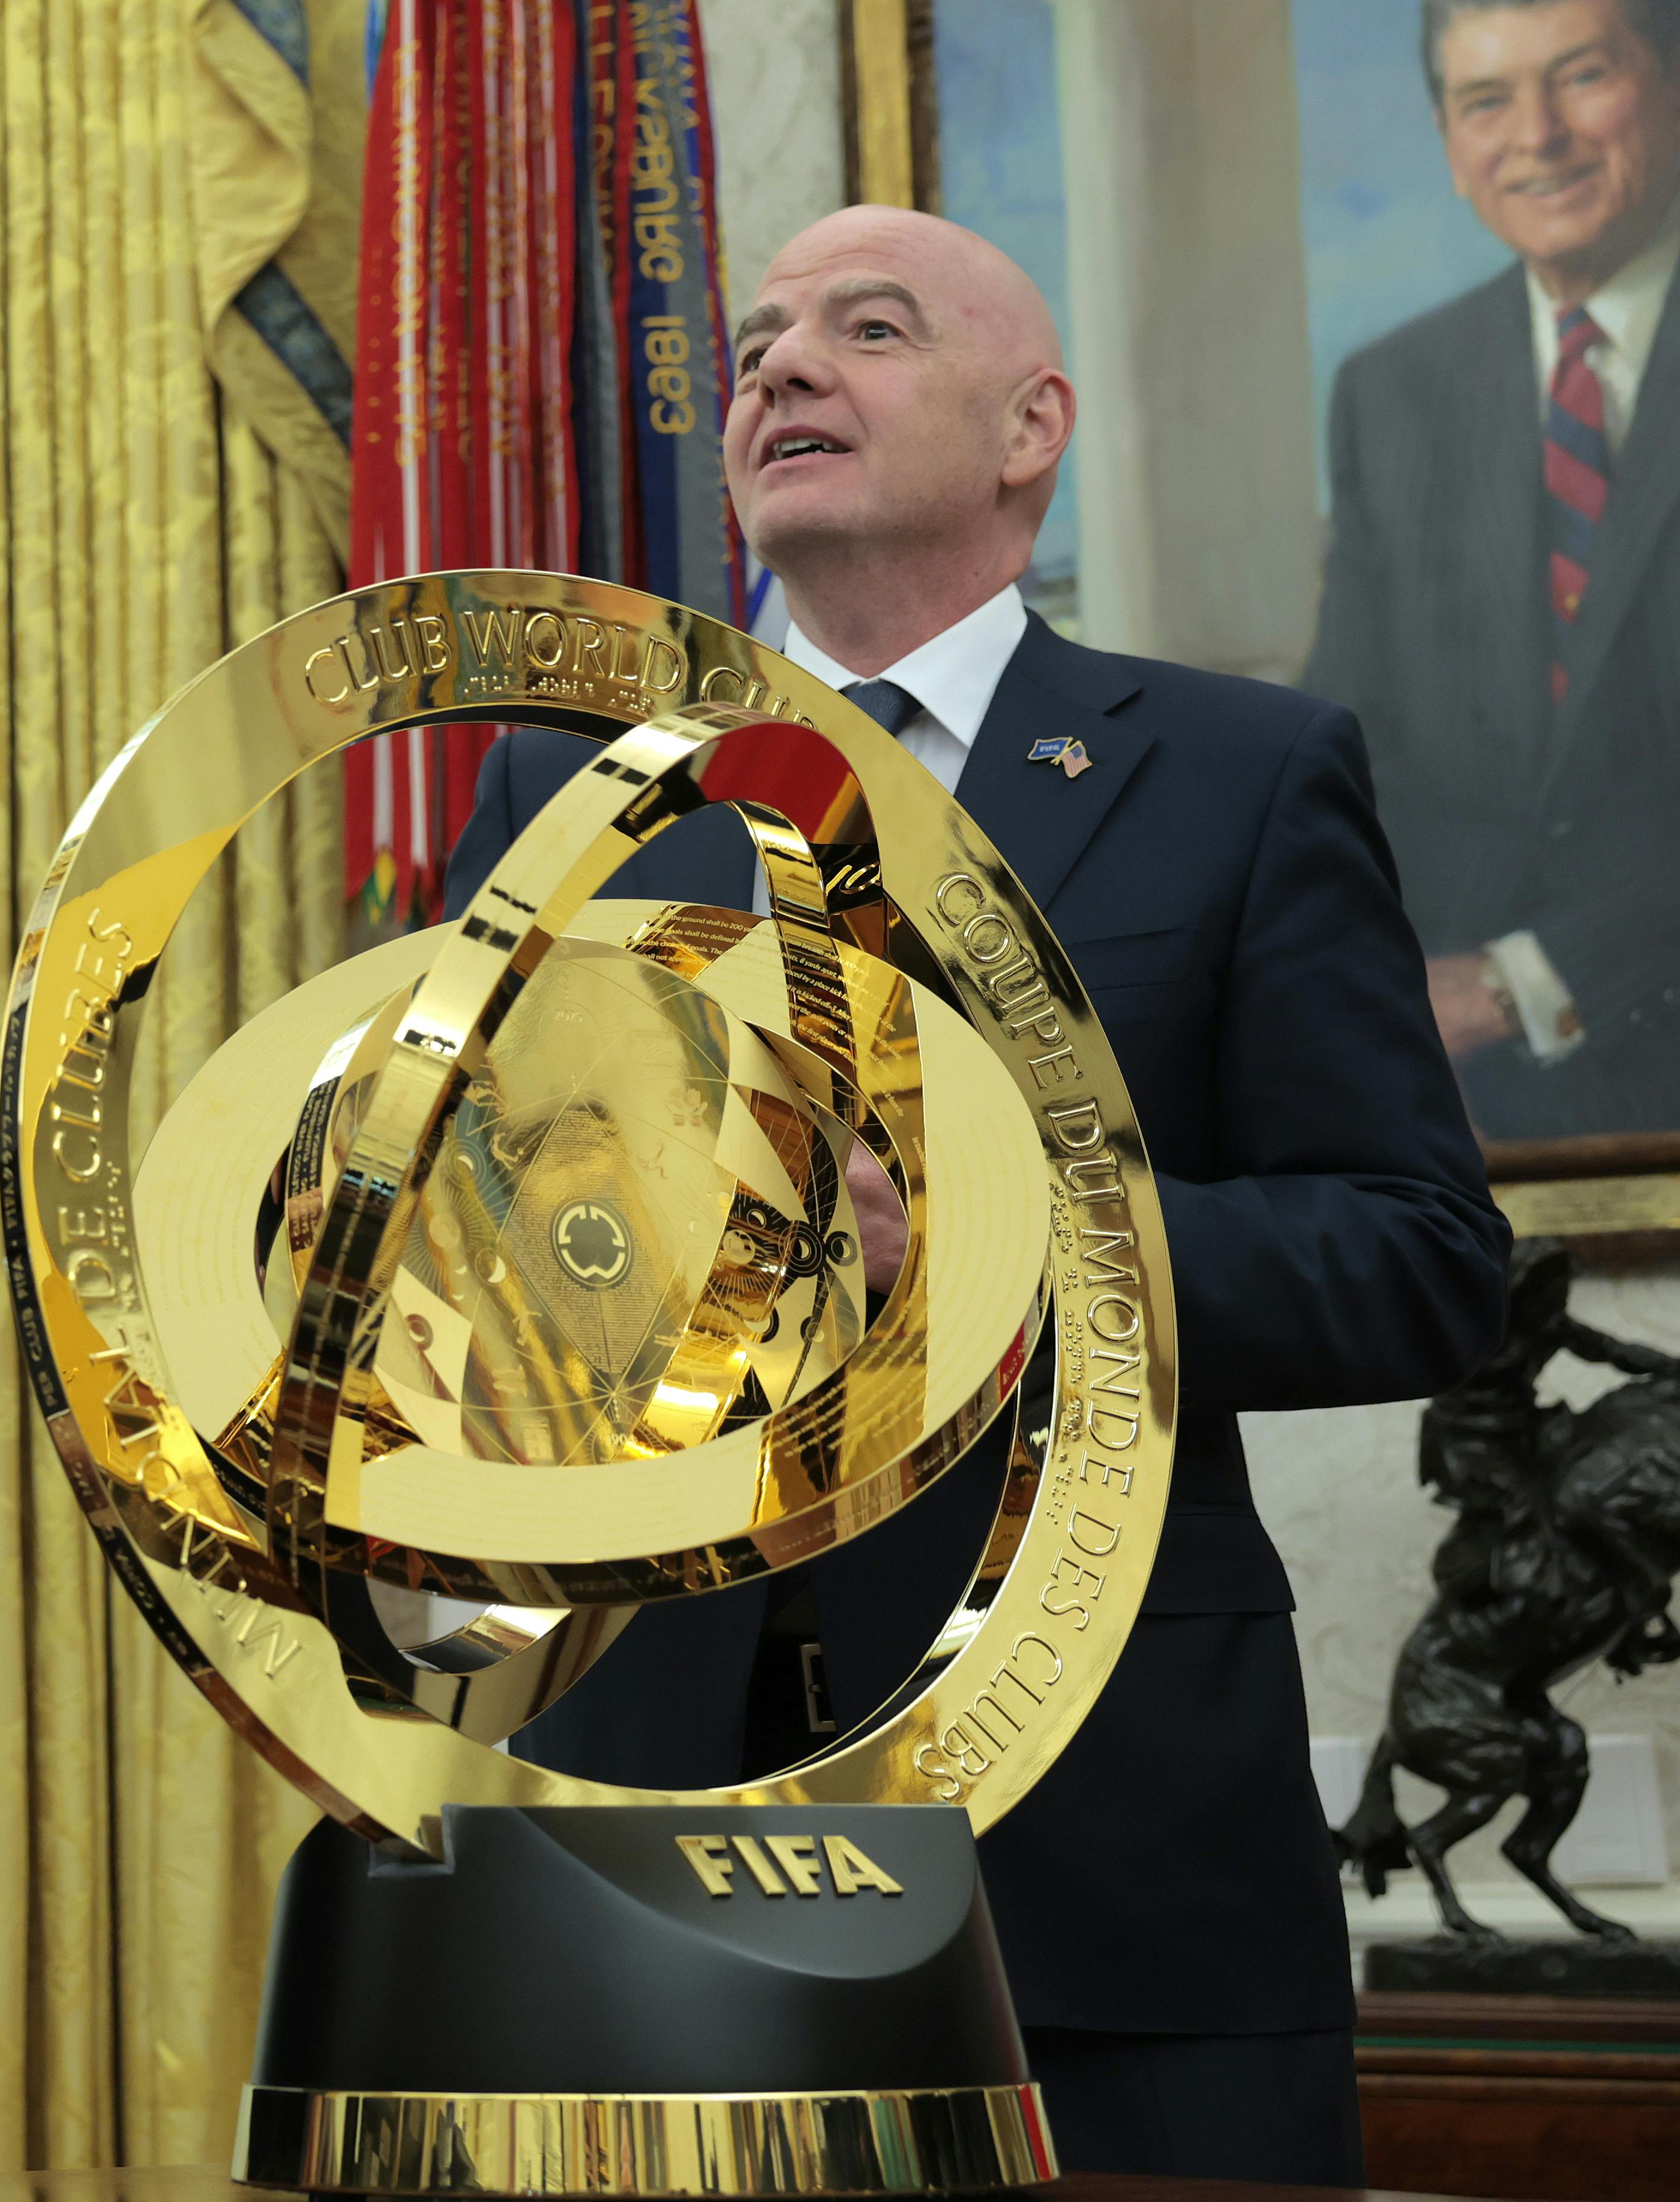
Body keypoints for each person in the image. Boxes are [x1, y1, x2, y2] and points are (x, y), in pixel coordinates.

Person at [444, 206, 1509, 2184]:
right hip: (649, 1803)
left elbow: (1416, 1257)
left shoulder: (1236, 770)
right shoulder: (555, 797)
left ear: (1030, 427)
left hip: (1101, 1844)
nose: (776, 367)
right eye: (759, 341)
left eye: (863, 327)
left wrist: (993, 1233)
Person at [1307, 0, 1680, 1139]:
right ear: (1446, 137)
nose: (1538, 139)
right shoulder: (1392, 390)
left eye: (1583, 77)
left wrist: (1522, 984)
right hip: (1456, 1095)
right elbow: (1348, 743)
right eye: (1486, 102)